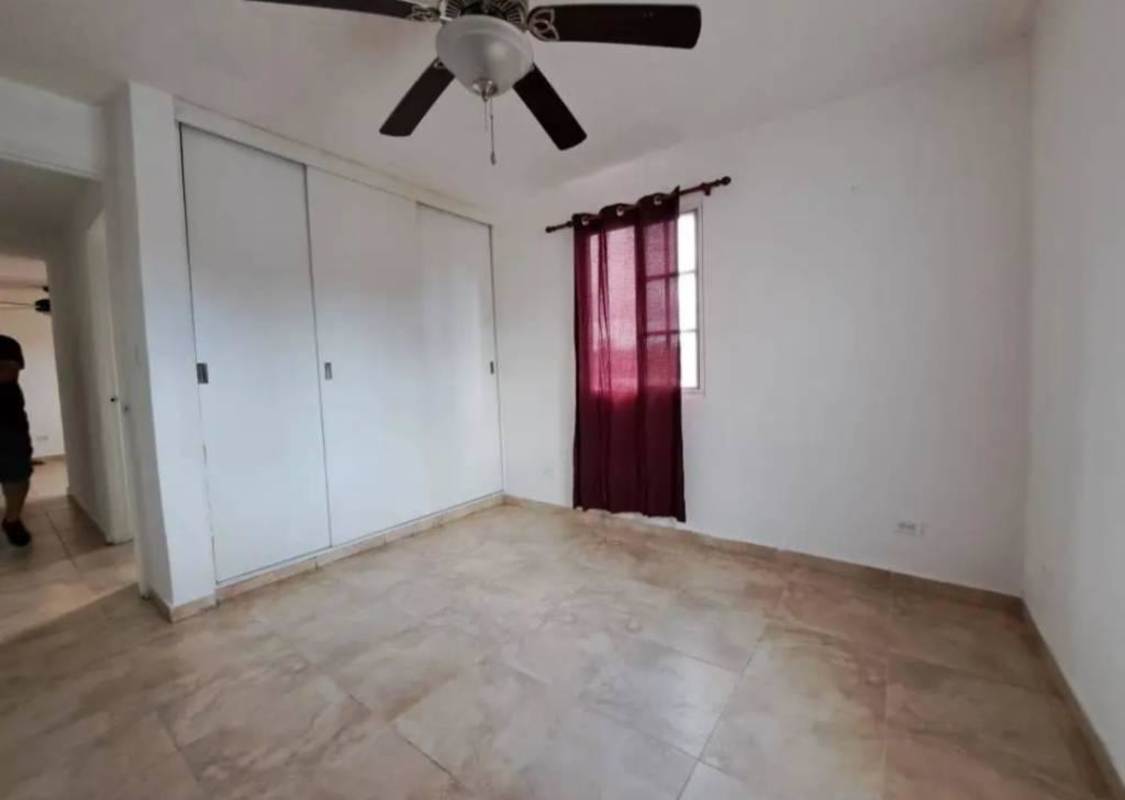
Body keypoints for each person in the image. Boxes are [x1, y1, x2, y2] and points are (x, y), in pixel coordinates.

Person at [0, 335, 33, 547]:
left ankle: (12, 520)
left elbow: (7, 373)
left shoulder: (7, 344)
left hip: (8, 425)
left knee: (17, 475)